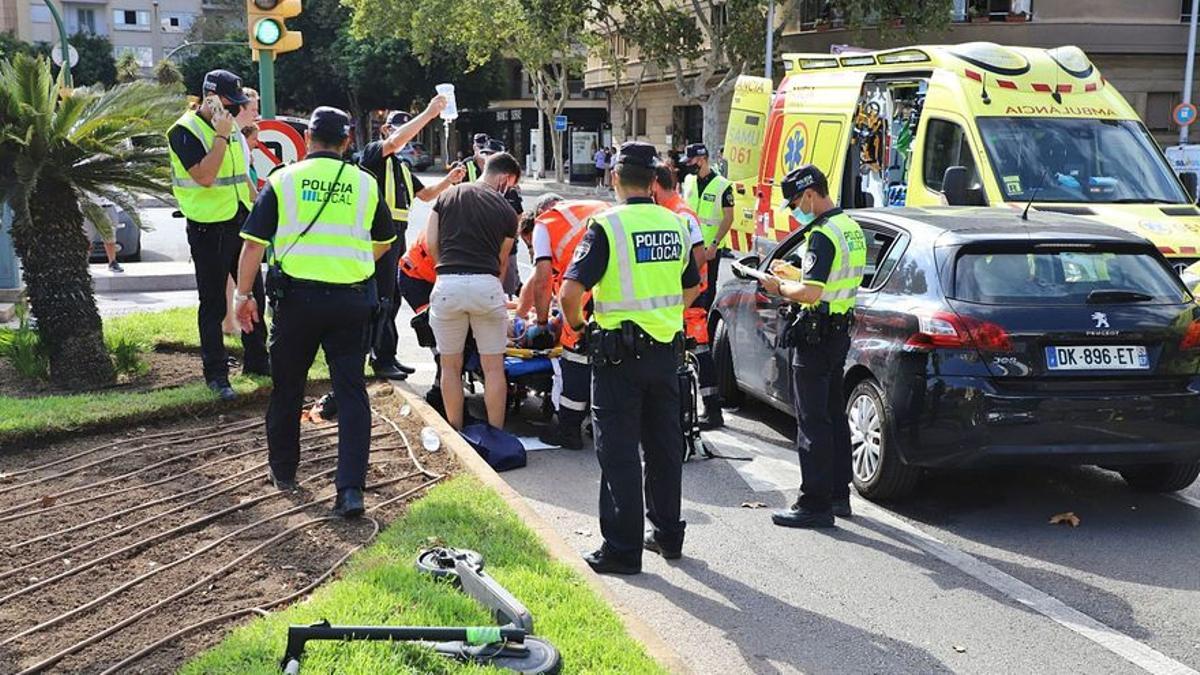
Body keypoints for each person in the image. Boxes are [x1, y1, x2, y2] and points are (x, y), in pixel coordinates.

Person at [234, 106, 397, 518]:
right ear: (346, 143)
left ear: (307, 139)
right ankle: (350, 492)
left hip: (296, 303)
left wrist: (242, 297)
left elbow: (253, 243)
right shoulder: (365, 184)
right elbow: (383, 242)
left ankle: (284, 472)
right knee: (351, 392)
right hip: (350, 302)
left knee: (288, 388)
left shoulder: (283, 180)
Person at [560, 142, 702, 575]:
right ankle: (667, 535)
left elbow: (570, 293)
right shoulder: (677, 224)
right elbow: (693, 286)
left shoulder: (606, 225)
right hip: (665, 354)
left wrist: (581, 329)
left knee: (618, 452)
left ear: (615, 178)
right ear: (655, 181)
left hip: (617, 359)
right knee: (664, 448)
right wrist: (660, 314)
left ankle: (622, 550)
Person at [759, 165, 866, 529]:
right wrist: (797, 278)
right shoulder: (850, 227)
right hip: (838, 332)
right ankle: (838, 494)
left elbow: (811, 292)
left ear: (809, 194)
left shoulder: (821, 234)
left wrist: (778, 287)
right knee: (834, 415)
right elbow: (832, 280)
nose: (795, 211)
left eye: (795, 202)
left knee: (811, 421)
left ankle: (814, 503)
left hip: (816, 335)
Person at [168, 69, 269, 401]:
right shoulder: (184, 131)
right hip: (208, 227)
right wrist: (222, 136)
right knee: (212, 304)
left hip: (240, 219)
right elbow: (206, 176)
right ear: (209, 97)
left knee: (253, 294)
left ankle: (257, 363)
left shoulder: (234, 130)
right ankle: (217, 375)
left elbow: (242, 177)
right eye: (230, 102)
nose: (235, 109)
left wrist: (260, 204)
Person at [357, 101, 461, 380]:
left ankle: (387, 354)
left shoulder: (401, 167)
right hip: (379, 234)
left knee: (392, 298)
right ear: (388, 129)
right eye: (401, 130)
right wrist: (428, 114)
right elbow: (394, 142)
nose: (408, 139)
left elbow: (425, 195)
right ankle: (379, 358)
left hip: (396, 235)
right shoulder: (374, 154)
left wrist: (449, 181)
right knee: (381, 299)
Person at [427, 152, 522, 430]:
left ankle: (456, 431)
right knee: (493, 368)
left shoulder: (448, 196)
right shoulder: (506, 211)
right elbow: (503, 261)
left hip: (448, 284)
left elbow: (432, 241)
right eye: (512, 185)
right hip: (486, 285)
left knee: (450, 366)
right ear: (504, 179)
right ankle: (497, 435)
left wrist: (443, 269)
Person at [518, 194, 609, 449]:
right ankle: (602, 422)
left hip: (586, 295)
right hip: (618, 294)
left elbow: (542, 278)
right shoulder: (597, 209)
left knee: (576, 356)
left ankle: (569, 430)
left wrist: (543, 323)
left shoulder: (544, 225)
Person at [651, 163, 722, 429]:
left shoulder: (681, 215)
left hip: (691, 296)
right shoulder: (671, 212)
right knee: (693, 351)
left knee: (699, 351)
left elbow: (699, 255)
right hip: (685, 294)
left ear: (656, 185)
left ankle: (712, 410)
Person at [681, 143, 734, 310]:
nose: (688, 165)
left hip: (710, 247)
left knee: (709, 286)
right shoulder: (689, 181)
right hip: (689, 244)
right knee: (689, 283)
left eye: (691, 161)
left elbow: (728, 217)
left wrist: (714, 244)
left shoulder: (722, 185)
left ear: (702, 160)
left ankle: (707, 325)